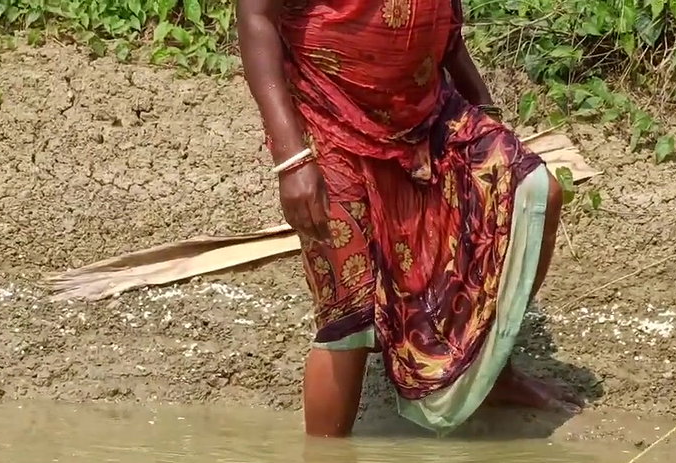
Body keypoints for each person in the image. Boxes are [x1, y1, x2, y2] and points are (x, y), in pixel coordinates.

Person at [237, 0, 579, 437]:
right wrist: (292, 159)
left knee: (531, 191)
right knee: (350, 310)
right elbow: (256, 15)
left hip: (427, 110)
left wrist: (482, 105)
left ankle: (493, 372)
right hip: (328, 117)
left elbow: (443, 27)